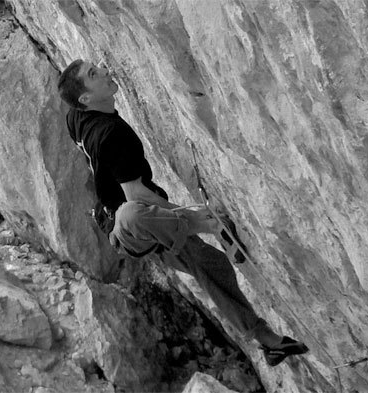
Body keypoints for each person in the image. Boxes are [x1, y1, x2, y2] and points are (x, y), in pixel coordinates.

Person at [57, 59, 309, 367]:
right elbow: (136, 196)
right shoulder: (112, 136)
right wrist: (194, 218)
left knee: (209, 264)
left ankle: (270, 342)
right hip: (129, 227)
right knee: (134, 213)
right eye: (94, 74)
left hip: (141, 219)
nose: (105, 71)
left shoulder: (76, 117)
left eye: (98, 67)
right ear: (85, 99)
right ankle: (210, 224)